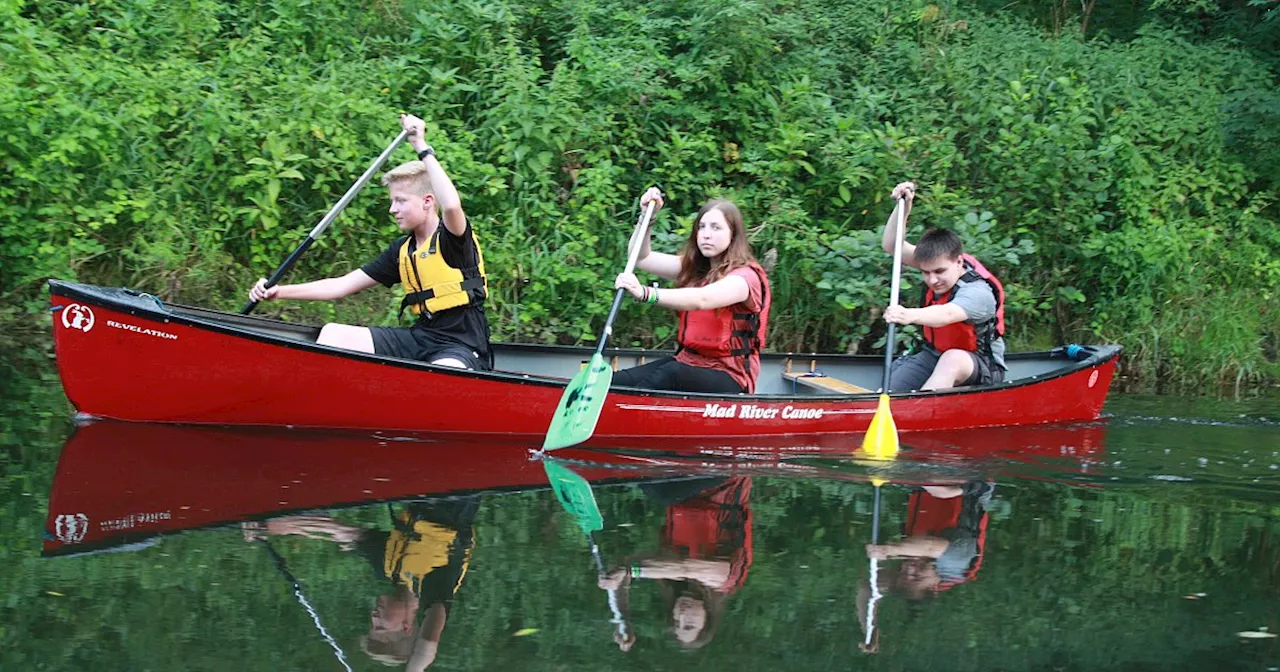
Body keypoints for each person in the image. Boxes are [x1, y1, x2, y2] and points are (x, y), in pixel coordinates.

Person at [247, 114, 491, 370]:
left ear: (428, 202)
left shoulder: (453, 238)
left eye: (401, 201)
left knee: (442, 373)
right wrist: (278, 292)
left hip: (462, 346)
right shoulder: (402, 251)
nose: (392, 209)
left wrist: (421, 145)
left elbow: (451, 204)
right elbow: (340, 286)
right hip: (421, 338)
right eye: (392, 200)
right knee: (333, 334)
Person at [243, 498, 478, 671]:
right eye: (380, 626)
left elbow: (335, 530)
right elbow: (428, 643)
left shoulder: (389, 567)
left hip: (421, 490)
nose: (373, 617)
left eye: (372, 625)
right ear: (407, 627)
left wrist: (271, 527)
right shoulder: (435, 588)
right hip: (454, 497)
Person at [611, 187, 771, 393]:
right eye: (702, 227)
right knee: (619, 380)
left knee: (671, 373)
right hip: (689, 361)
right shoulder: (696, 269)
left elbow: (702, 299)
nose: (706, 235)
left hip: (731, 375)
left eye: (716, 228)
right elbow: (641, 257)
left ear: (733, 235)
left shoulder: (745, 278)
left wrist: (646, 293)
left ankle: (629, 413)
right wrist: (646, 217)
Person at [597, 476, 753, 650]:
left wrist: (622, 618)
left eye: (676, 621)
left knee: (614, 482)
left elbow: (622, 564)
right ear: (707, 617)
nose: (681, 615)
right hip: (724, 478)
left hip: (685, 482)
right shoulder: (726, 580)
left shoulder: (670, 575)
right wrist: (629, 571)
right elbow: (686, 566)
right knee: (658, 492)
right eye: (689, 624)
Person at [879, 181, 1007, 392]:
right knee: (890, 389)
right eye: (926, 272)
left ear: (958, 262)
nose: (932, 280)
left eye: (939, 272)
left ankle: (921, 411)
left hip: (979, 365)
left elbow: (947, 314)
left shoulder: (978, 292)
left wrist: (908, 315)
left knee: (952, 359)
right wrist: (905, 206)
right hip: (933, 355)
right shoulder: (933, 263)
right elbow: (892, 246)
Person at [856, 480, 995, 653]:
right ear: (935, 586)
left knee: (924, 482)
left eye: (903, 572)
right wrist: (889, 550)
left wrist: (870, 627)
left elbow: (867, 586)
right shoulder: (958, 565)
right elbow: (930, 546)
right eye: (917, 576)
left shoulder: (912, 568)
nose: (910, 568)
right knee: (943, 491)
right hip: (969, 481)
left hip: (927, 483)